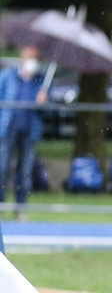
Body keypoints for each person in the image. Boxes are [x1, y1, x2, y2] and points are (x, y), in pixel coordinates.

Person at [0, 46, 48, 218]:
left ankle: (20, 208)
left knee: (25, 171)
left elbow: (47, 113)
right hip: (8, 129)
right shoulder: (8, 76)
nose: (32, 62)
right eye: (30, 57)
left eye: (36, 58)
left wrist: (44, 103)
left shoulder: (41, 81)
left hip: (30, 131)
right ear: (22, 57)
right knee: (2, 167)